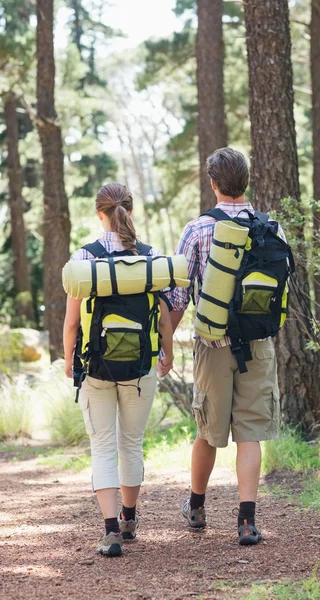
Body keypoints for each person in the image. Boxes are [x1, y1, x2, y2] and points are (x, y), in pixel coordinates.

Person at [167, 148, 281, 546]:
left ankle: (196, 506)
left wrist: (165, 348)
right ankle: (246, 522)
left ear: (213, 183)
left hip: (213, 344)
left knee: (208, 430)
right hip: (259, 346)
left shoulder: (197, 229)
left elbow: (178, 298)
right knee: (249, 434)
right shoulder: (272, 229)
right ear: (246, 182)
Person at [63, 183, 174, 557]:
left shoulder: (84, 258)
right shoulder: (150, 257)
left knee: (103, 447)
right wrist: (167, 355)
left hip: (95, 367)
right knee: (131, 443)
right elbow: (162, 319)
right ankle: (129, 518)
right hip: (140, 368)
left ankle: (110, 532)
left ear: (100, 213)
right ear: (130, 210)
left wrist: (68, 361)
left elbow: (72, 324)